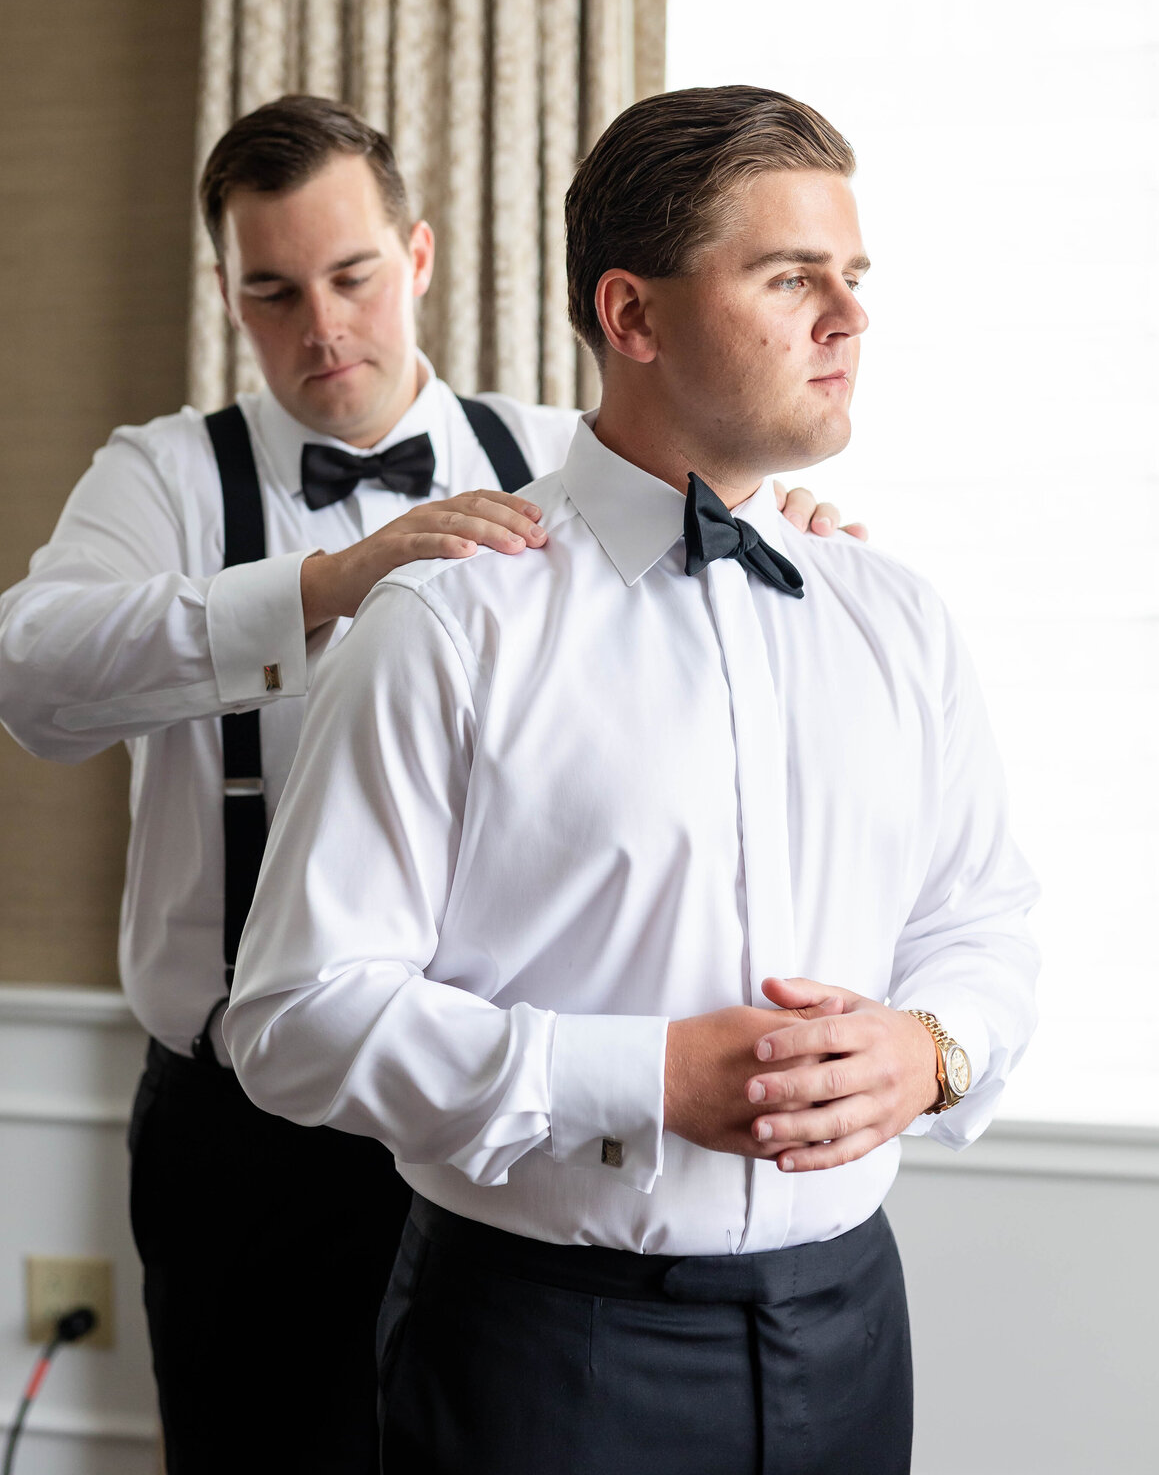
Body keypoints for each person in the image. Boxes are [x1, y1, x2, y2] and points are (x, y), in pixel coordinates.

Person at [0, 94, 861, 1474]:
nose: (321, 326)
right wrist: (323, 588)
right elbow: (32, 677)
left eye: (351, 276)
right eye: (274, 292)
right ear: (226, 293)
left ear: (418, 256)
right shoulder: (164, 476)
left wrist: (787, 523)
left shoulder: (568, 456)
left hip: (513, 1130)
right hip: (242, 1133)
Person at [225, 84, 1040, 1475]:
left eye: (854, 276)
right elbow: (294, 1019)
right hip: (544, 1351)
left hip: (851, 1326)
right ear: (633, 316)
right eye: (791, 278)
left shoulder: (898, 618)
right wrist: (641, 1077)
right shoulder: (444, 624)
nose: (849, 317)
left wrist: (933, 1049)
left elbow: (983, 922)